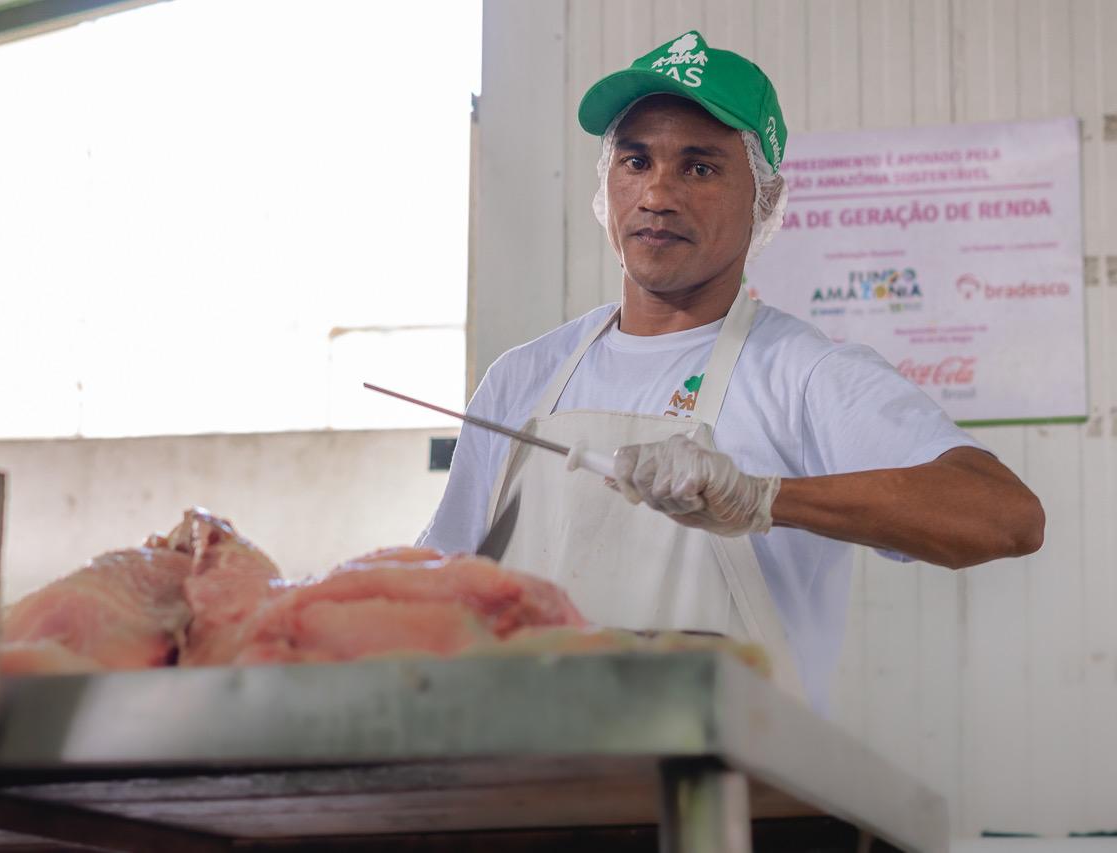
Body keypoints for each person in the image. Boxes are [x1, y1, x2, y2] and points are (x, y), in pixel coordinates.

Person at [418, 28, 1044, 714]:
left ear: (764, 200)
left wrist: (763, 498)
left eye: (699, 167)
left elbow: (1005, 516)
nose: (657, 194)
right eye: (634, 160)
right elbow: (441, 589)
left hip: (734, 799)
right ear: (605, 186)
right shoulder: (522, 377)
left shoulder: (806, 375)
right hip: (528, 780)